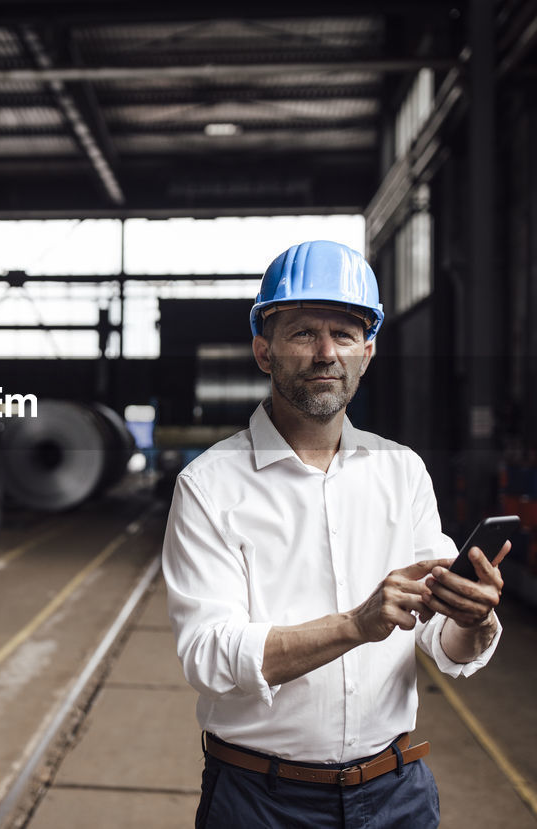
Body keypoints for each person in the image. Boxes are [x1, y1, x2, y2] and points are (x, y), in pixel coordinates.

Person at [162, 240, 508, 828]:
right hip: (259, 801)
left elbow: (444, 644)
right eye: (302, 334)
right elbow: (209, 657)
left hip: (395, 794)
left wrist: (473, 620)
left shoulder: (402, 471)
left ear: (367, 352)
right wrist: (354, 626)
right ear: (263, 350)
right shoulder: (209, 485)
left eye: (344, 335)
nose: (326, 353)